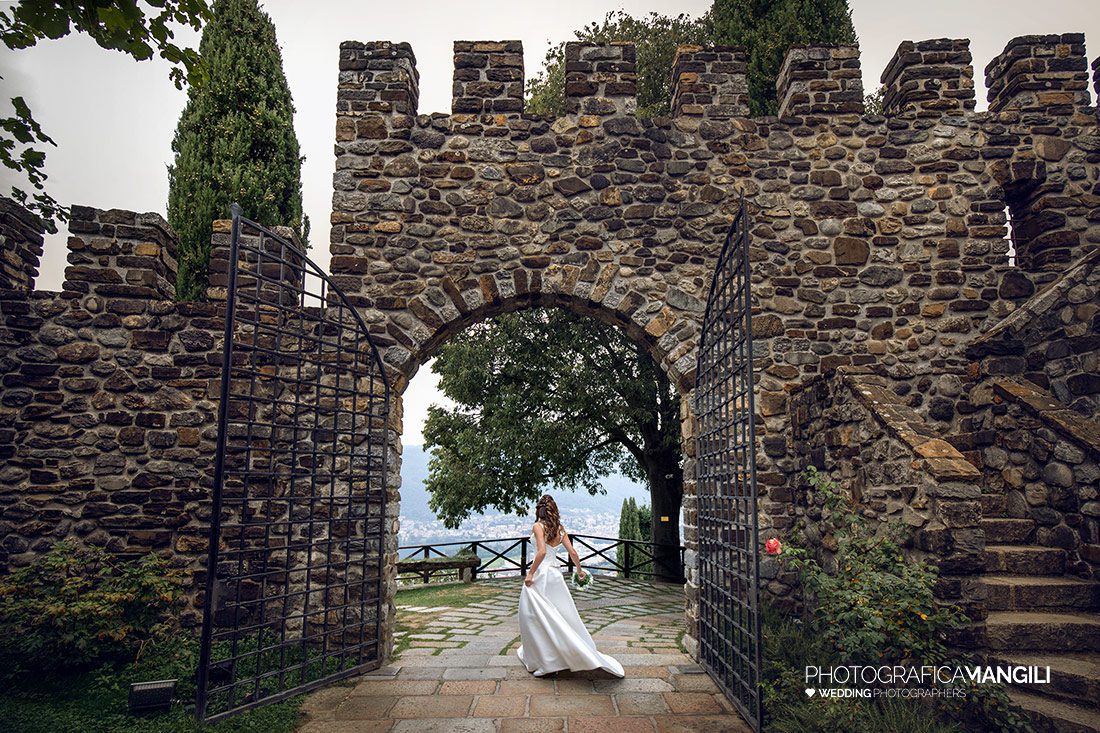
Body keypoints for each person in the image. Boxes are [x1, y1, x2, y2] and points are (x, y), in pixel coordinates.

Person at [516, 494, 625, 678]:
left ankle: (547, 659)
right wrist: (579, 570)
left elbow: (541, 552)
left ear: (539, 510)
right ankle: (557, 655)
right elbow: (573, 552)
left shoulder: (537, 526)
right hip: (555, 576)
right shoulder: (559, 528)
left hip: (542, 575)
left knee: (532, 616)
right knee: (558, 615)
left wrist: (530, 573)